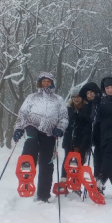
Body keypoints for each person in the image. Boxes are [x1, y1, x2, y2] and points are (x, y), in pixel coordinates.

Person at [13, 72, 68, 203]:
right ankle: (26, 168)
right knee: (31, 142)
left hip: (49, 132)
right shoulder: (32, 97)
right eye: (43, 81)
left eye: (48, 81)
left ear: (52, 83)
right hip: (32, 126)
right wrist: (19, 128)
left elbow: (64, 117)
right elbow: (23, 114)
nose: (46, 83)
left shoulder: (58, 99)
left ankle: (43, 195)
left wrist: (60, 128)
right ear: (39, 82)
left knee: (46, 163)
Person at [61, 88, 92, 181]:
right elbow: (64, 122)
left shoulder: (87, 108)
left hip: (82, 137)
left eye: (78, 96)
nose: (76, 99)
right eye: (73, 97)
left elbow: (88, 123)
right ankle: (64, 178)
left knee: (79, 158)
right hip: (69, 137)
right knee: (67, 159)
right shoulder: (68, 109)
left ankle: (76, 180)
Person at [78, 82, 102, 182]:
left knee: (98, 156)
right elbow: (82, 121)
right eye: (87, 93)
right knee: (82, 152)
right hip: (88, 133)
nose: (90, 95)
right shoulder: (85, 107)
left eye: (92, 92)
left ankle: (98, 178)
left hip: (100, 133)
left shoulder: (102, 104)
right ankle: (78, 175)